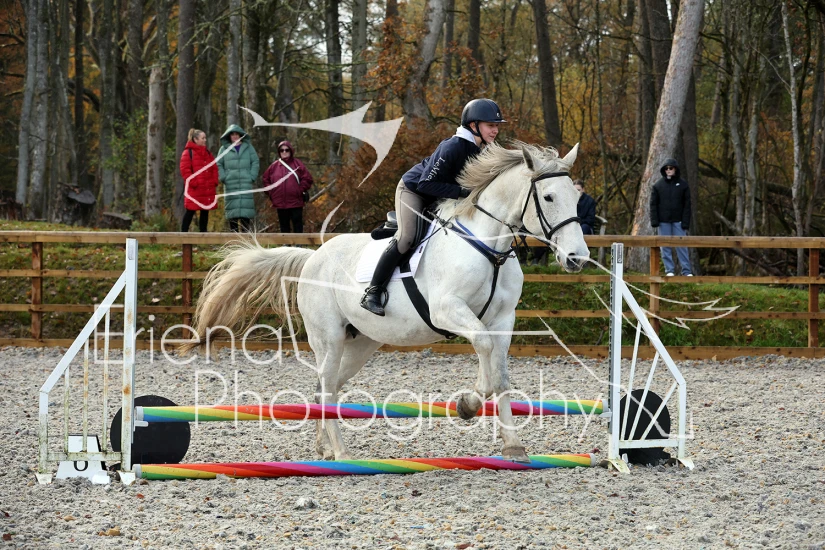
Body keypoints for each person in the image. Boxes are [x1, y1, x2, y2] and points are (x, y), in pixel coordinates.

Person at [360, 98, 506, 316]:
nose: (495, 130)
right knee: (407, 238)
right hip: (413, 190)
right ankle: (373, 291)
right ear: (473, 125)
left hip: (442, 196)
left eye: (496, 126)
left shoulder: (482, 150)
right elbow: (425, 184)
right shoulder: (453, 147)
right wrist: (463, 192)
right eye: (490, 125)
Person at [650, 158, 693, 276]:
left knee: (681, 245)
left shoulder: (683, 185)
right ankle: (669, 270)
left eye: (671, 168)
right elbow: (653, 204)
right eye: (666, 168)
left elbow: (687, 205)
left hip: (679, 221)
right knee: (665, 246)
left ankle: (686, 271)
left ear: (675, 169)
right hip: (663, 221)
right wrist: (655, 221)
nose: (668, 170)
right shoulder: (658, 186)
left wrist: (685, 222)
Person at [262, 140, 314, 233]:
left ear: (291, 151)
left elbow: (307, 179)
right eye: (282, 150)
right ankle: (285, 242)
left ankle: (299, 242)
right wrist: (271, 193)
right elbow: (265, 180)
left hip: (295, 202)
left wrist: (299, 190)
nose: (284, 152)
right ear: (279, 152)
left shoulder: (297, 164)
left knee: (298, 227)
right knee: (284, 227)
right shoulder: (273, 166)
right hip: (280, 203)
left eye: (287, 150)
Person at [217, 124, 259, 232]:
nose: (235, 136)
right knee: (233, 217)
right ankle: (234, 240)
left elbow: (255, 162)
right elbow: (218, 164)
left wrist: (252, 176)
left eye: (237, 134)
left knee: (245, 217)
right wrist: (223, 177)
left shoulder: (249, 147)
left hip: (246, 184)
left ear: (240, 135)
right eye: (232, 134)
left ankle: (245, 241)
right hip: (231, 185)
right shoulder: (223, 149)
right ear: (229, 136)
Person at [179, 129, 219, 232]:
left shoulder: (207, 153)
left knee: (205, 211)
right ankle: (183, 233)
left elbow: (214, 167)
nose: (205, 140)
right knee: (190, 210)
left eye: (205, 138)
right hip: (195, 188)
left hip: (206, 187)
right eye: (203, 138)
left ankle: (203, 233)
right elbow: (185, 170)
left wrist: (214, 181)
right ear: (195, 139)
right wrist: (194, 183)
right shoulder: (188, 153)